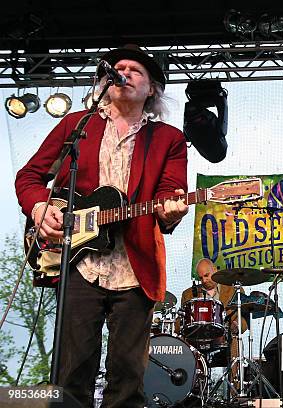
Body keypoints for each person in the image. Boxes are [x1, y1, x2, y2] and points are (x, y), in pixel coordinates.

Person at [15, 44, 188, 408]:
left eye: (134, 69)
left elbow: (171, 193)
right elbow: (29, 177)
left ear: (152, 88)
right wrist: (39, 209)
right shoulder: (76, 125)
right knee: (70, 372)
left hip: (136, 265)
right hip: (79, 264)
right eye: (117, 67)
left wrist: (172, 210)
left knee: (127, 375)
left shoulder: (168, 138)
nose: (122, 72)